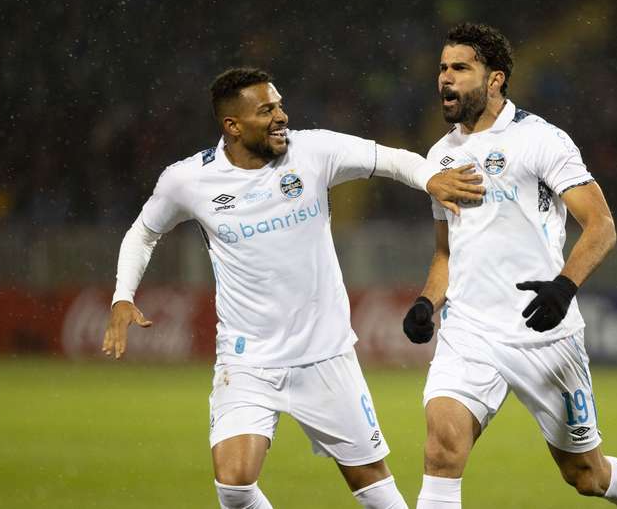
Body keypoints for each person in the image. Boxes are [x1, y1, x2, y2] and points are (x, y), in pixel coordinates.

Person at [102, 67, 485, 509]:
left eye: (280, 105)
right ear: (233, 126)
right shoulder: (187, 181)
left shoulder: (313, 151)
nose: (281, 116)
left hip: (325, 355)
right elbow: (143, 232)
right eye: (266, 110)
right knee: (234, 485)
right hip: (247, 360)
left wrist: (429, 179)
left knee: (373, 485)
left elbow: (390, 158)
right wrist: (122, 296)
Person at [402, 23, 617, 509]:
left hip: (543, 332)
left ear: (494, 79)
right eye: (442, 68)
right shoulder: (440, 156)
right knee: (442, 451)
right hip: (470, 332)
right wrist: (428, 301)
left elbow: (601, 226)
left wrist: (564, 287)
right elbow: (447, 251)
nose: (445, 77)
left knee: (586, 475)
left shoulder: (541, 140)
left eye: (460, 68)